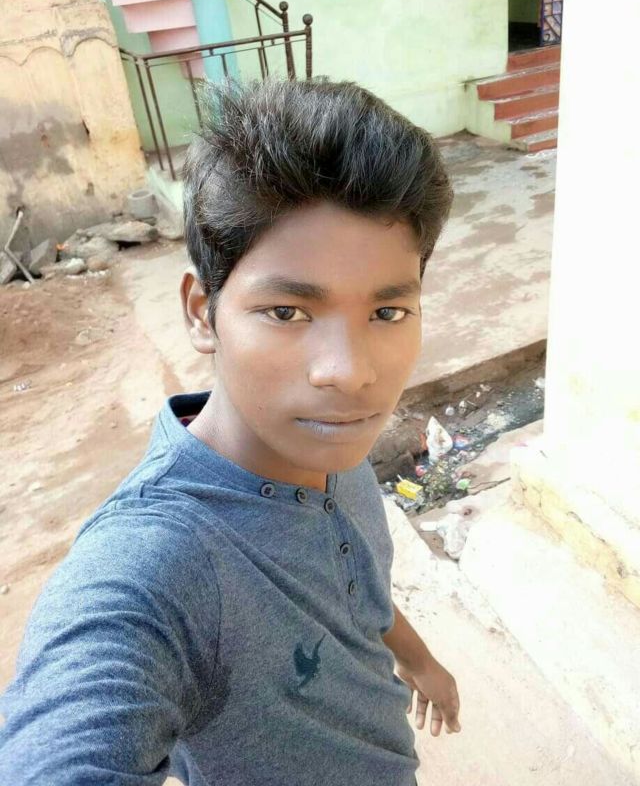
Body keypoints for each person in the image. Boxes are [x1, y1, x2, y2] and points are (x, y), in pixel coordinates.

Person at [0, 79, 461, 785]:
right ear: (201, 312)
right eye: (287, 312)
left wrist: (420, 661)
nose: (349, 373)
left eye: (387, 313)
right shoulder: (159, 567)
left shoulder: (328, 442)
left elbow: (358, 586)